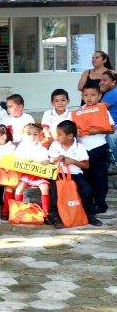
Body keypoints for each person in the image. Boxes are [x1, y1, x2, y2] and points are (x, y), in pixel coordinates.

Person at [48, 120, 103, 227]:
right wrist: (55, 159)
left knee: (86, 190)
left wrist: (73, 161)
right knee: (55, 192)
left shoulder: (79, 147)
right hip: (58, 174)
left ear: (70, 136)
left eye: (59, 134)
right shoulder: (55, 145)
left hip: (75, 175)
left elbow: (86, 165)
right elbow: (49, 160)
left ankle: (90, 215)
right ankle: (56, 217)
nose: (57, 137)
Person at [79, 81, 114, 214]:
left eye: (92, 95)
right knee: (85, 176)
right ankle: (87, 203)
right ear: (82, 96)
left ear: (99, 96)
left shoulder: (102, 110)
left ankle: (100, 203)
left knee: (99, 176)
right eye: (86, 95)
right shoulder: (79, 112)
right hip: (82, 149)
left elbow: (111, 129)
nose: (89, 98)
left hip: (98, 147)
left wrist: (97, 131)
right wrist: (75, 132)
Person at [11, 123, 51, 217]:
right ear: (24, 135)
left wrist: (41, 161)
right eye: (29, 134)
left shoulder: (42, 148)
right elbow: (16, 157)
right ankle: (18, 210)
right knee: (19, 189)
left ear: (40, 135)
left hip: (39, 175)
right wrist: (25, 158)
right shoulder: (22, 148)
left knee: (45, 188)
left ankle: (46, 213)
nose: (32, 137)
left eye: (35, 134)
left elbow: (45, 160)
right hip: (26, 174)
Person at [98, 70, 117, 163]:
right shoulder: (112, 91)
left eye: (105, 80)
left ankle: (112, 162)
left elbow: (97, 110)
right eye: (100, 80)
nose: (102, 83)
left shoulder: (111, 93)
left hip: (113, 125)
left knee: (110, 137)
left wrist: (99, 92)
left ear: (113, 81)